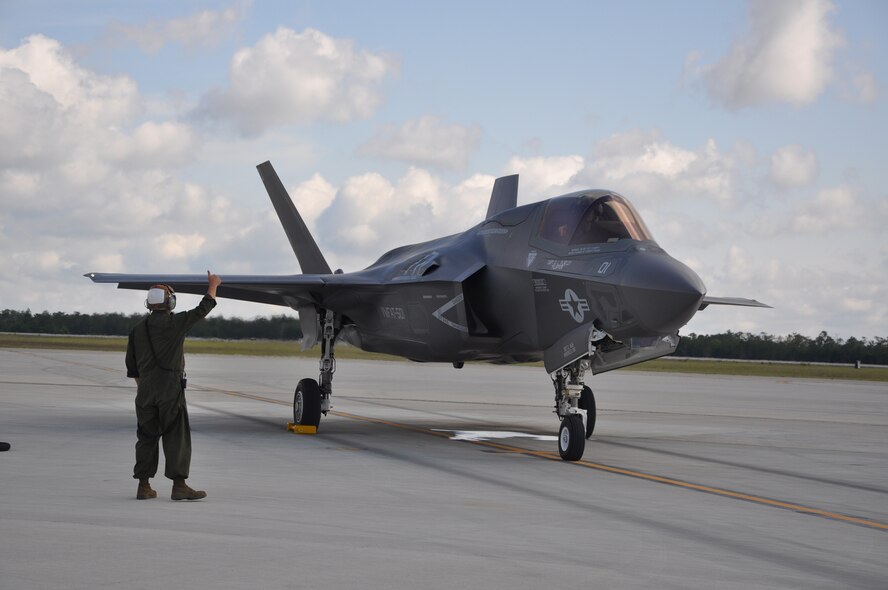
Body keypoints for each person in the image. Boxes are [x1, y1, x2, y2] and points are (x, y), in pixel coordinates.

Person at [126, 271, 221, 500]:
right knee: (176, 436)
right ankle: (179, 486)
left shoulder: (137, 329)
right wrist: (213, 285)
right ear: (169, 302)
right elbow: (203, 309)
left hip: (145, 392)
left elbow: (132, 368)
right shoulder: (175, 324)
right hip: (170, 390)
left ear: (149, 303)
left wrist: (145, 386)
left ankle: (144, 486)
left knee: (146, 438)